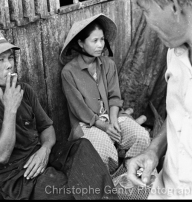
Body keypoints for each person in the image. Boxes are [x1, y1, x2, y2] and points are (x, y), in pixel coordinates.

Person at [0, 30, 118, 200]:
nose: (9, 65)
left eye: (10, 58)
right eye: (0, 60)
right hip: (18, 177)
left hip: (41, 155)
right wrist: (10, 109)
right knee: (64, 189)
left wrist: (45, 149)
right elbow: (1, 156)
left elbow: (47, 128)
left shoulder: (24, 90)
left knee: (82, 147)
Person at [123, 0, 192, 199]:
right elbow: (184, 113)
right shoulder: (174, 54)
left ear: (173, 5)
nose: (147, 22)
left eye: (145, 10)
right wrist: (154, 150)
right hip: (164, 191)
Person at [59, 13, 151, 175]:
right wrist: (104, 126)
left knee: (141, 136)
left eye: (102, 39)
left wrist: (114, 121)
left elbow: (115, 97)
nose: (100, 45)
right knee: (104, 152)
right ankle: (110, 182)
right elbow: (80, 110)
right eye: (94, 41)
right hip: (87, 124)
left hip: (112, 117)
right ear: (81, 43)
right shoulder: (69, 72)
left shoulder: (108, 64)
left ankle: (128, 174)